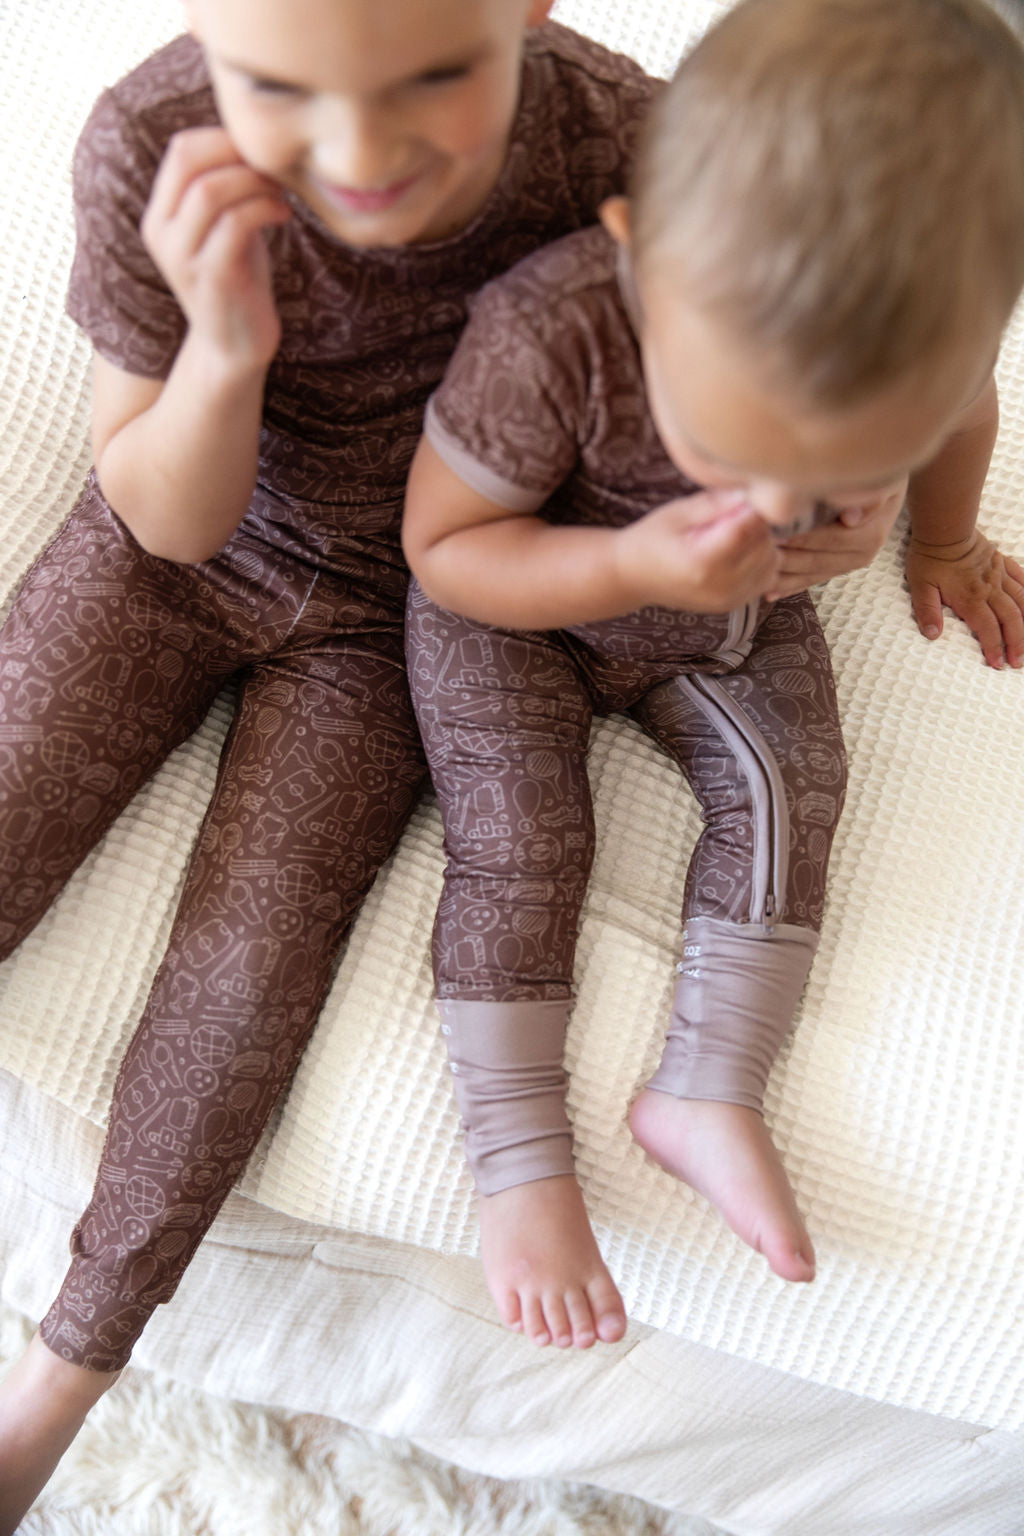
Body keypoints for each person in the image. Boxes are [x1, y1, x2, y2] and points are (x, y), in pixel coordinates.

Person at [0, 0, 670, 1524]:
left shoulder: (618, 145)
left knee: (250, 965)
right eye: (280, 87)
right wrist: (226, 346)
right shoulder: (150, 141)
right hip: (176, 533)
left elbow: (836, 297)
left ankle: (66, 1370)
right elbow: (164, 517)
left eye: (436, 77)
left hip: (395, 611)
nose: (360, 150)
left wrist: (892, 507)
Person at [402, 0, 1024, 1357]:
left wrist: (934, 533)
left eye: (838, 465)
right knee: (523, 838)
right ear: (644, 257)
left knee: (797, 786)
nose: (785, 497)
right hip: (523, 609)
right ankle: (517, 1155)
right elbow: (445, 549)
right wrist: (630, 564)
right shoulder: (553, 330)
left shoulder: (927, 352)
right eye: (739, 448)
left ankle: (708, 1084)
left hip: (738, 619)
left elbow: (965, 412)